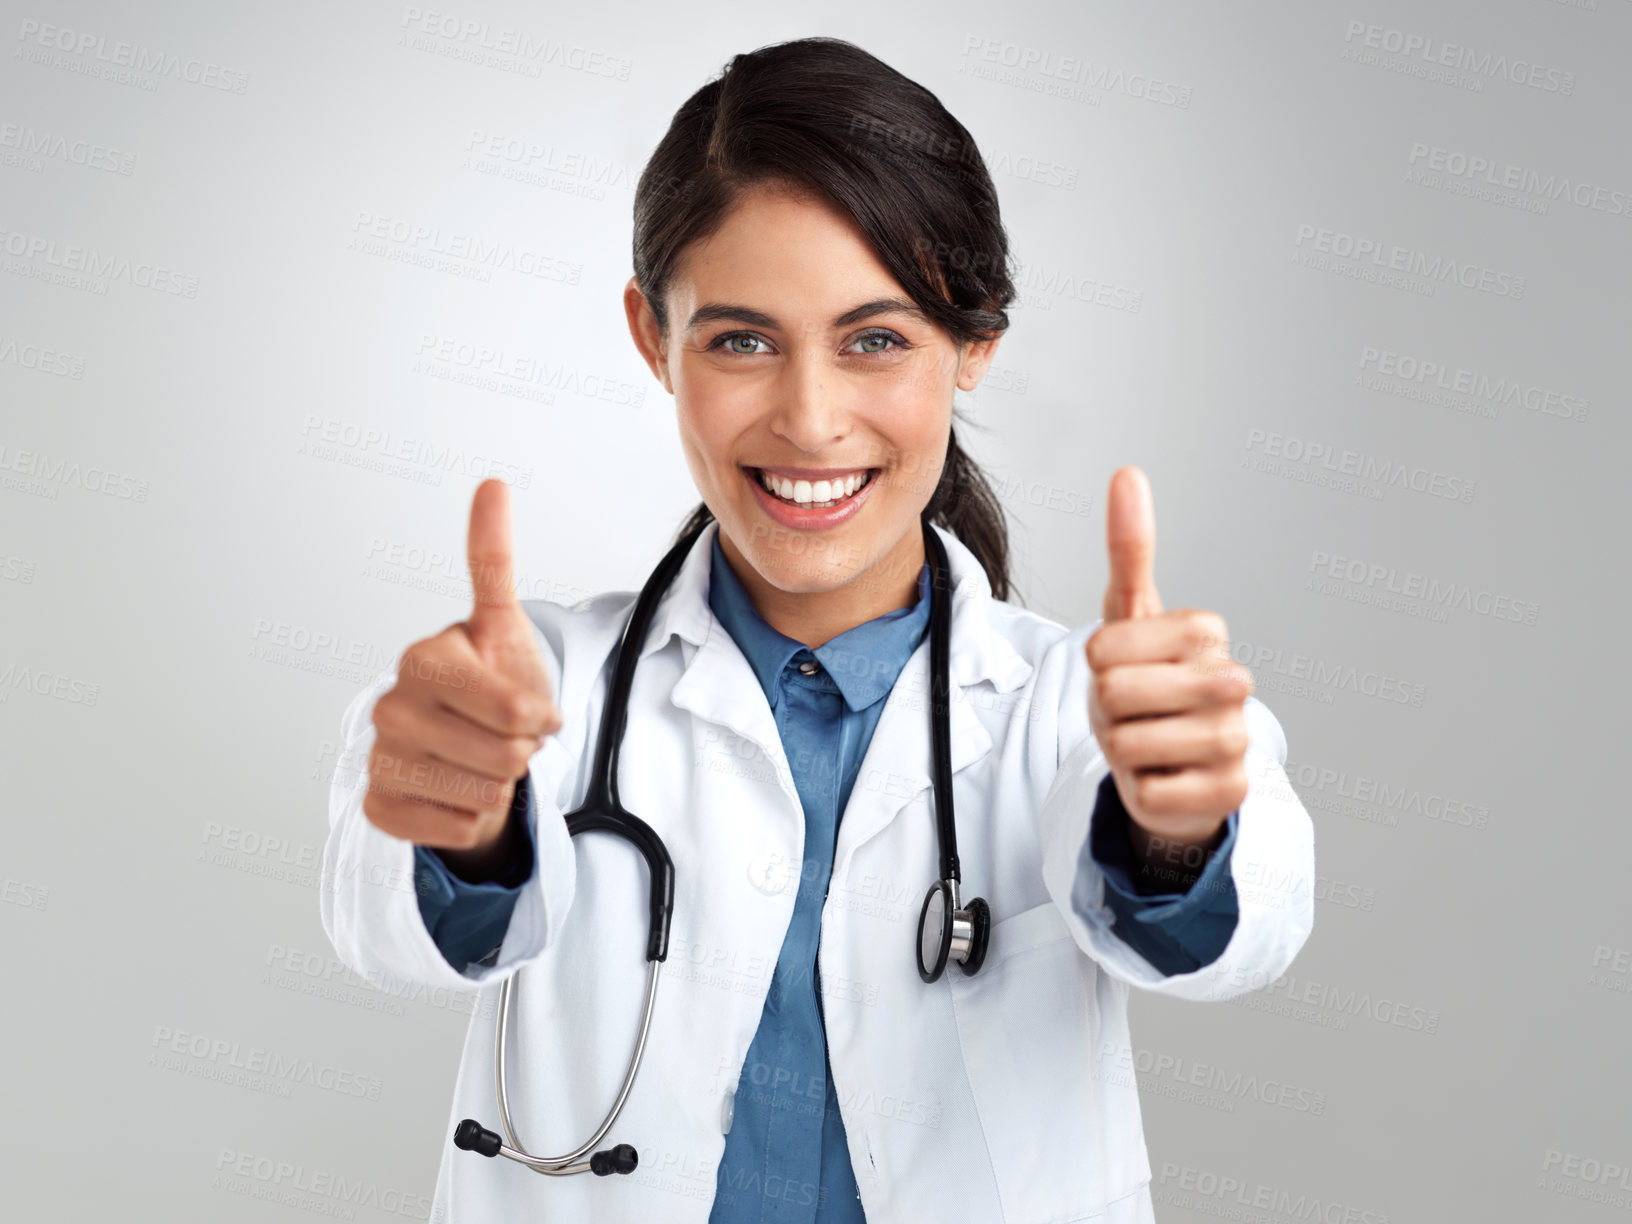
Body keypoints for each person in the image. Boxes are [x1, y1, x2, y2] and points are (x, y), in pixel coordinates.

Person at [320, 36, 1314, 1224]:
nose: (808, 415)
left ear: (976, 344)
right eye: (740, 339)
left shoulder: (1074, 709)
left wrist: (1171, 833)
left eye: (876, 340)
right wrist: (466, 834)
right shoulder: (529, 690)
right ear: (652, 337)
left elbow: (1243, 930)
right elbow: (383, 927)